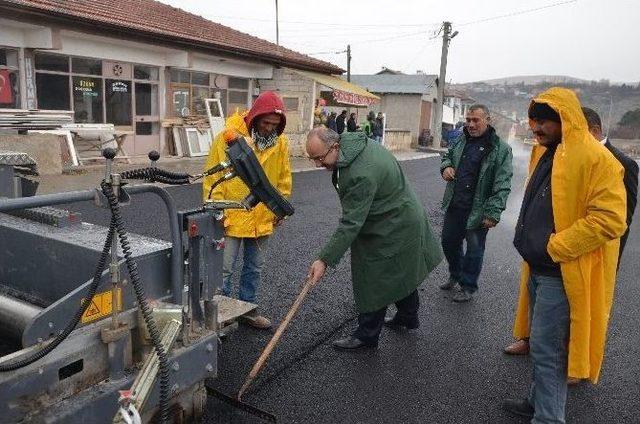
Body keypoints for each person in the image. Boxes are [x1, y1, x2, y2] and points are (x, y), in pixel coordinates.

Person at [502, 88, 627, 423]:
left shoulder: (598, 160)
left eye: (543, 121)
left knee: (548, 351)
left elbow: (610, 219)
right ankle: (535, 401)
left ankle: (548, 417)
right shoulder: (547, 152)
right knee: (542, 347)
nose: (535, 127)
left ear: (565, 119)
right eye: (533, 119)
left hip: (561, 272)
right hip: (538, 267)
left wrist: (556, 247)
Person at [503, 107, 638, 358]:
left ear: (594, 131)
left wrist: (612, 259)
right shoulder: (559, 153)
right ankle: (530, 339)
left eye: (575, 130)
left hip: (586, 249)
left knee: (581, 311)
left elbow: (620, 219)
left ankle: (575, 359)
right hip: (548, 248)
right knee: (537, 298)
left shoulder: (618, 162)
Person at [305, 127, 442, 350]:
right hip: (400, 214)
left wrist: (324, 259)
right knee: (400, 271)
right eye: (313, 159)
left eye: (320, 158)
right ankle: (408, 316)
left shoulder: (359, 173)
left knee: (373, 277)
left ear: (335, 146)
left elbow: (351, 222)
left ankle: (367, 335)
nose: (318, 164)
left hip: (392, 223)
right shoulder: (356, 144)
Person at [202, 91, 292, 329]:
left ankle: (248, 310)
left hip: (262, 216)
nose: (269, 129)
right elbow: (214, 176)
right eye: (265, 123)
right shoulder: (229, 138)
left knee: (254, 268)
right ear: (254, 118)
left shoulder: (280, 142)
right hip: (232, 213)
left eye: (275, 125)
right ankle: (222, 313)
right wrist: (217, 211)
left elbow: (283, 178)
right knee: (224, 269)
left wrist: (279, 208)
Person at [439, 104, 513, 302]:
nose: (470, 124)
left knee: (474, 250)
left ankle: (468, 286)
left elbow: (503, 183)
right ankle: (456, 273)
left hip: (479, 209)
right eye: (468, 120)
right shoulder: (460, 140)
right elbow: (446, 156)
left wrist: (493, 212)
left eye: (475, 120)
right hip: (456, 204)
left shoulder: (500, 149)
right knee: (448, 242)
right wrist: (446, 167)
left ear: (487, 120)